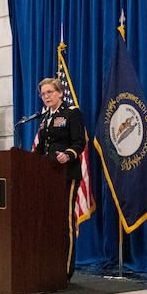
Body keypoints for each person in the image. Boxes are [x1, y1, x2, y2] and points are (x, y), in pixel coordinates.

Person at [33, 77, 86, 280]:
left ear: (60, 93)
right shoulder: (45, 118)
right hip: (48, 176)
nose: (46, 96)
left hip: (66, 174)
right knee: (49, 221)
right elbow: (41, 148)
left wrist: (68, 154)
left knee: (65, 221)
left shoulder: (72, 114)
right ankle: (49, 265)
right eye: (43, 94)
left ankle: (65, 269)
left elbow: (79, 142)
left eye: (50, 92)